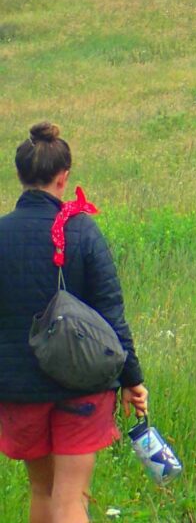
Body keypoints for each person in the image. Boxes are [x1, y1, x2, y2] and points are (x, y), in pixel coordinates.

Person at [0, 122, 148, 523]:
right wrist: (132, 379)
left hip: (19, 389)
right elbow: (111, 313)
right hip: (82, 384)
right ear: (64, 177)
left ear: (20, 176)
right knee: (71, 500)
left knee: (41, 491)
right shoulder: (82, 230)